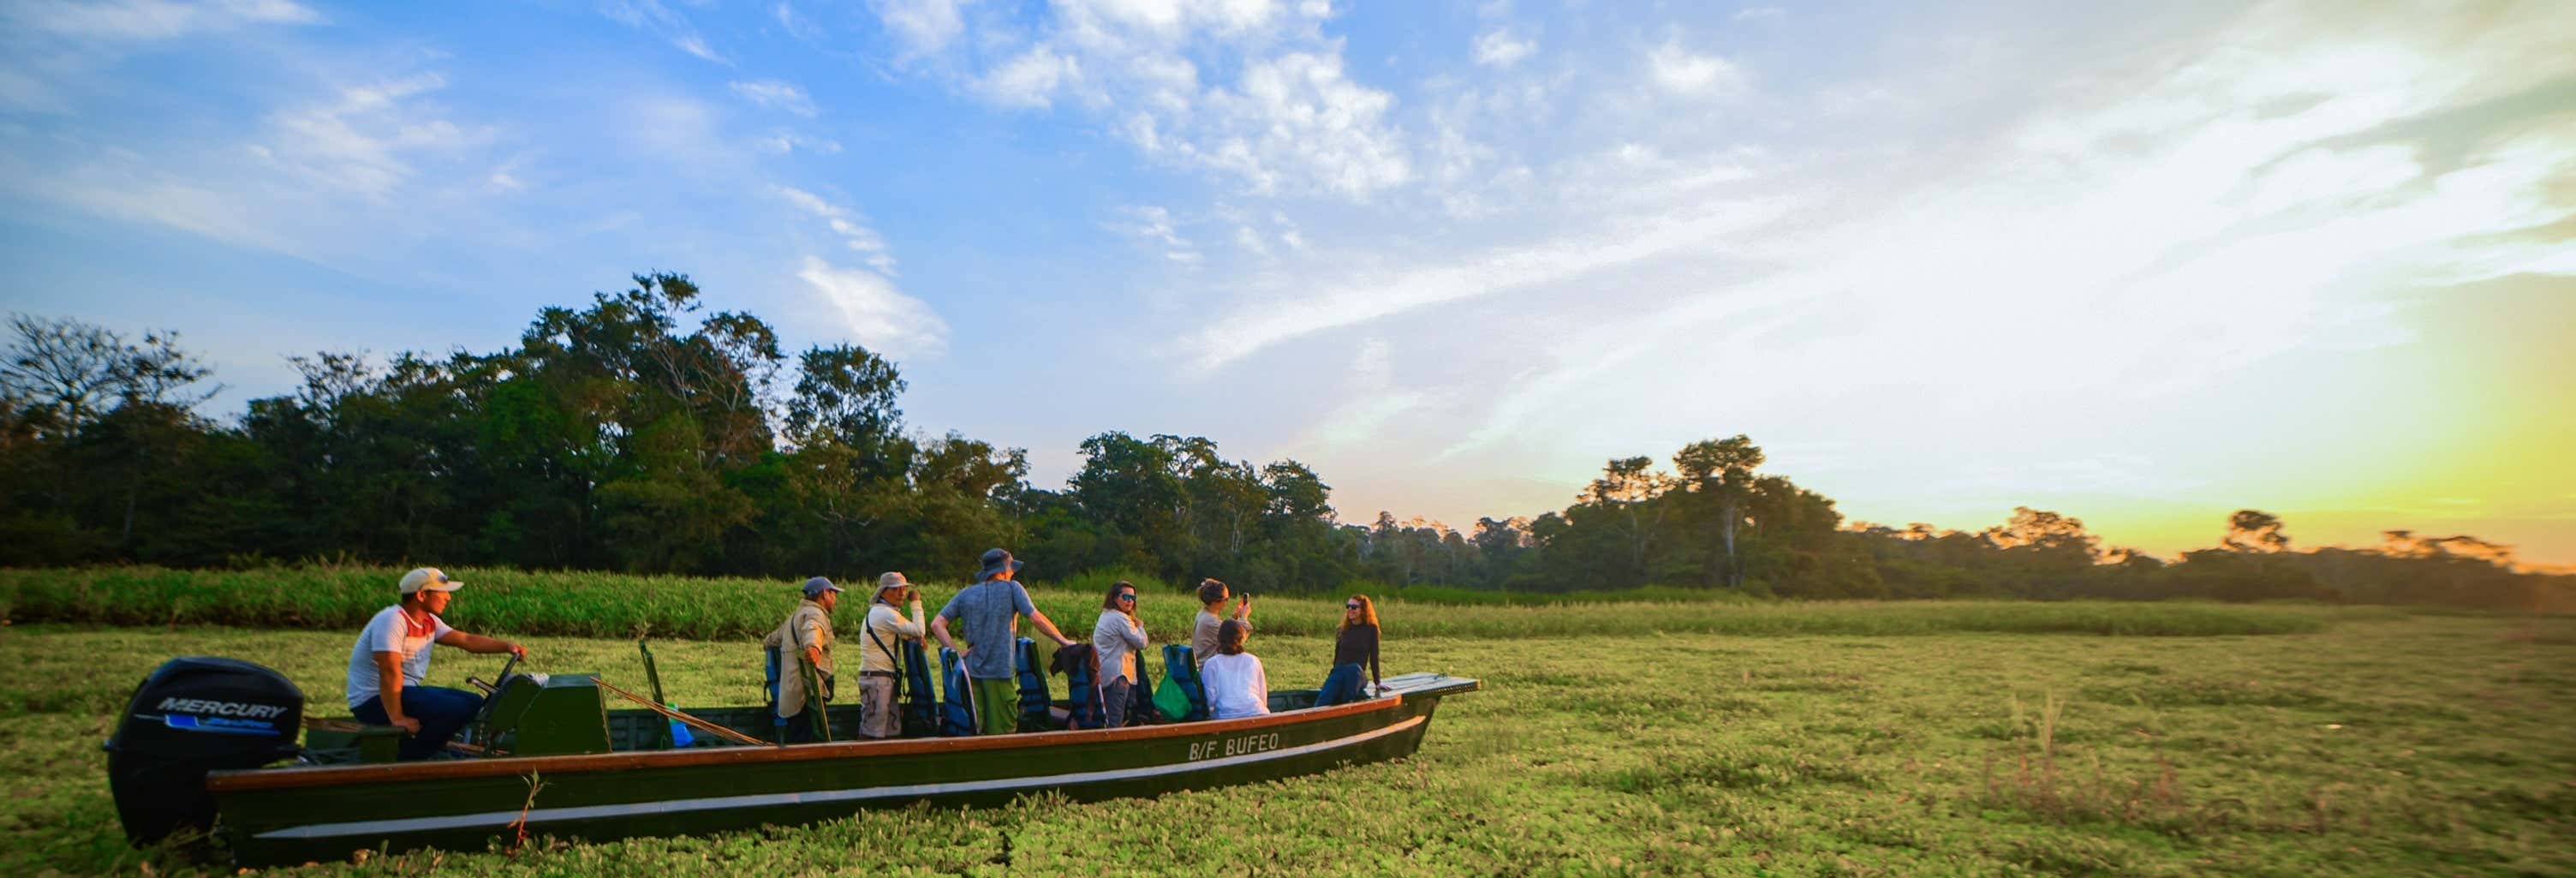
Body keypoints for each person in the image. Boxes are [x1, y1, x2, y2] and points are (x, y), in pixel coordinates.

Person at [344, 567, 526, 761]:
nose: (448, 598)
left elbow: (466, 640)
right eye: (443, 592)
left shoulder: (429, 621)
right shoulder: (392, 620)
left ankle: (426, 747)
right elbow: (389, 672)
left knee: (474, 702)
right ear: (422, 595)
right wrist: (398, 718)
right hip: (374, 700)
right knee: (455, 709)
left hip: (403, 692)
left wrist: (507, 646)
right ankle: (409, 758)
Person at [932, 548, 1077, 735]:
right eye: (1011, 569)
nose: (1012, 573)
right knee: (1003, 732)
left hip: (971, 673)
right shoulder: (1012, 588)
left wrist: (956, 654)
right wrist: (1063, 641)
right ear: (1003, 570)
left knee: (975, 729)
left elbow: (937, 624)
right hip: (999, 673)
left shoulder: (965, 594)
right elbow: (1036, 618)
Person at [763, 576, 842, 743]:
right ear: (825, 594)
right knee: (808, 742)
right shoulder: (815, 614)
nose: (835, 599)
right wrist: (813, 648)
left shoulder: (796, 615)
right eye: (834, 594)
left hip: (793, 694)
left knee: (797, 739)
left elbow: (774, 638)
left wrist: (767, 642)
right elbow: (812, 630)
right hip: (808, 695)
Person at [857, 572, 926, 739]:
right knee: (872, 734)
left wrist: (916, 638)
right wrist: (916, 602)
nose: (902, 593)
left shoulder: (880, 612)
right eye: (896, 589)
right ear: (883, 592)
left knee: (889, 732)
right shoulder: (887, 614)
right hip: (878, 680)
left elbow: (911, 635)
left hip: (880, 679)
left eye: (904, 589)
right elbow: (919, 630)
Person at [1091, 581, 1148, 727]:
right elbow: (1142, 643)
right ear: (1115, 598)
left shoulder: (1106, 614)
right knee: (1114, 724)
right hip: (1118, 677)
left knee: (1112, 719)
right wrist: (1140, 627)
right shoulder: (1120, 618)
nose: (1130, 601)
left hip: (1106, 674)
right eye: (1126, 597)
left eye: (1133, 598)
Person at [1315, 594, 1381, 707]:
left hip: (1357, 675)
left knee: (1353, 669)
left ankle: (1346, 706)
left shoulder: (1371, 629)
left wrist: (1377, 683)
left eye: (1354, 607)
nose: (1350, 609)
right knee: (1323, 700)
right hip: (1340, 672)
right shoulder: (1342, 630)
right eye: (1348, 606)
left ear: (1363, 610)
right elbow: (1337, 657)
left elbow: (1374, 657)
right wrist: (1331, 678)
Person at [1199, 619, 1269, 720]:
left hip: (1226, 715)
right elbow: (1263, 697)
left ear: (1219, 639)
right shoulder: (1253, 660)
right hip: (1258, 711)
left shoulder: (1211, 664)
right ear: (1241, 639)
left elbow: (1210, 699)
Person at [1190, 577, 1251, 670]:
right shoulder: (1210, 621)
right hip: (1208, 671)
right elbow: (1238, 638)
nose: (1227, 602)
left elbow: (1224, 630)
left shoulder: (1204, 614)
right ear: (1215, 602)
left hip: (1206, 666)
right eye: (1226, 599)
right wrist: (1244, 617)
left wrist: (1234, 617)